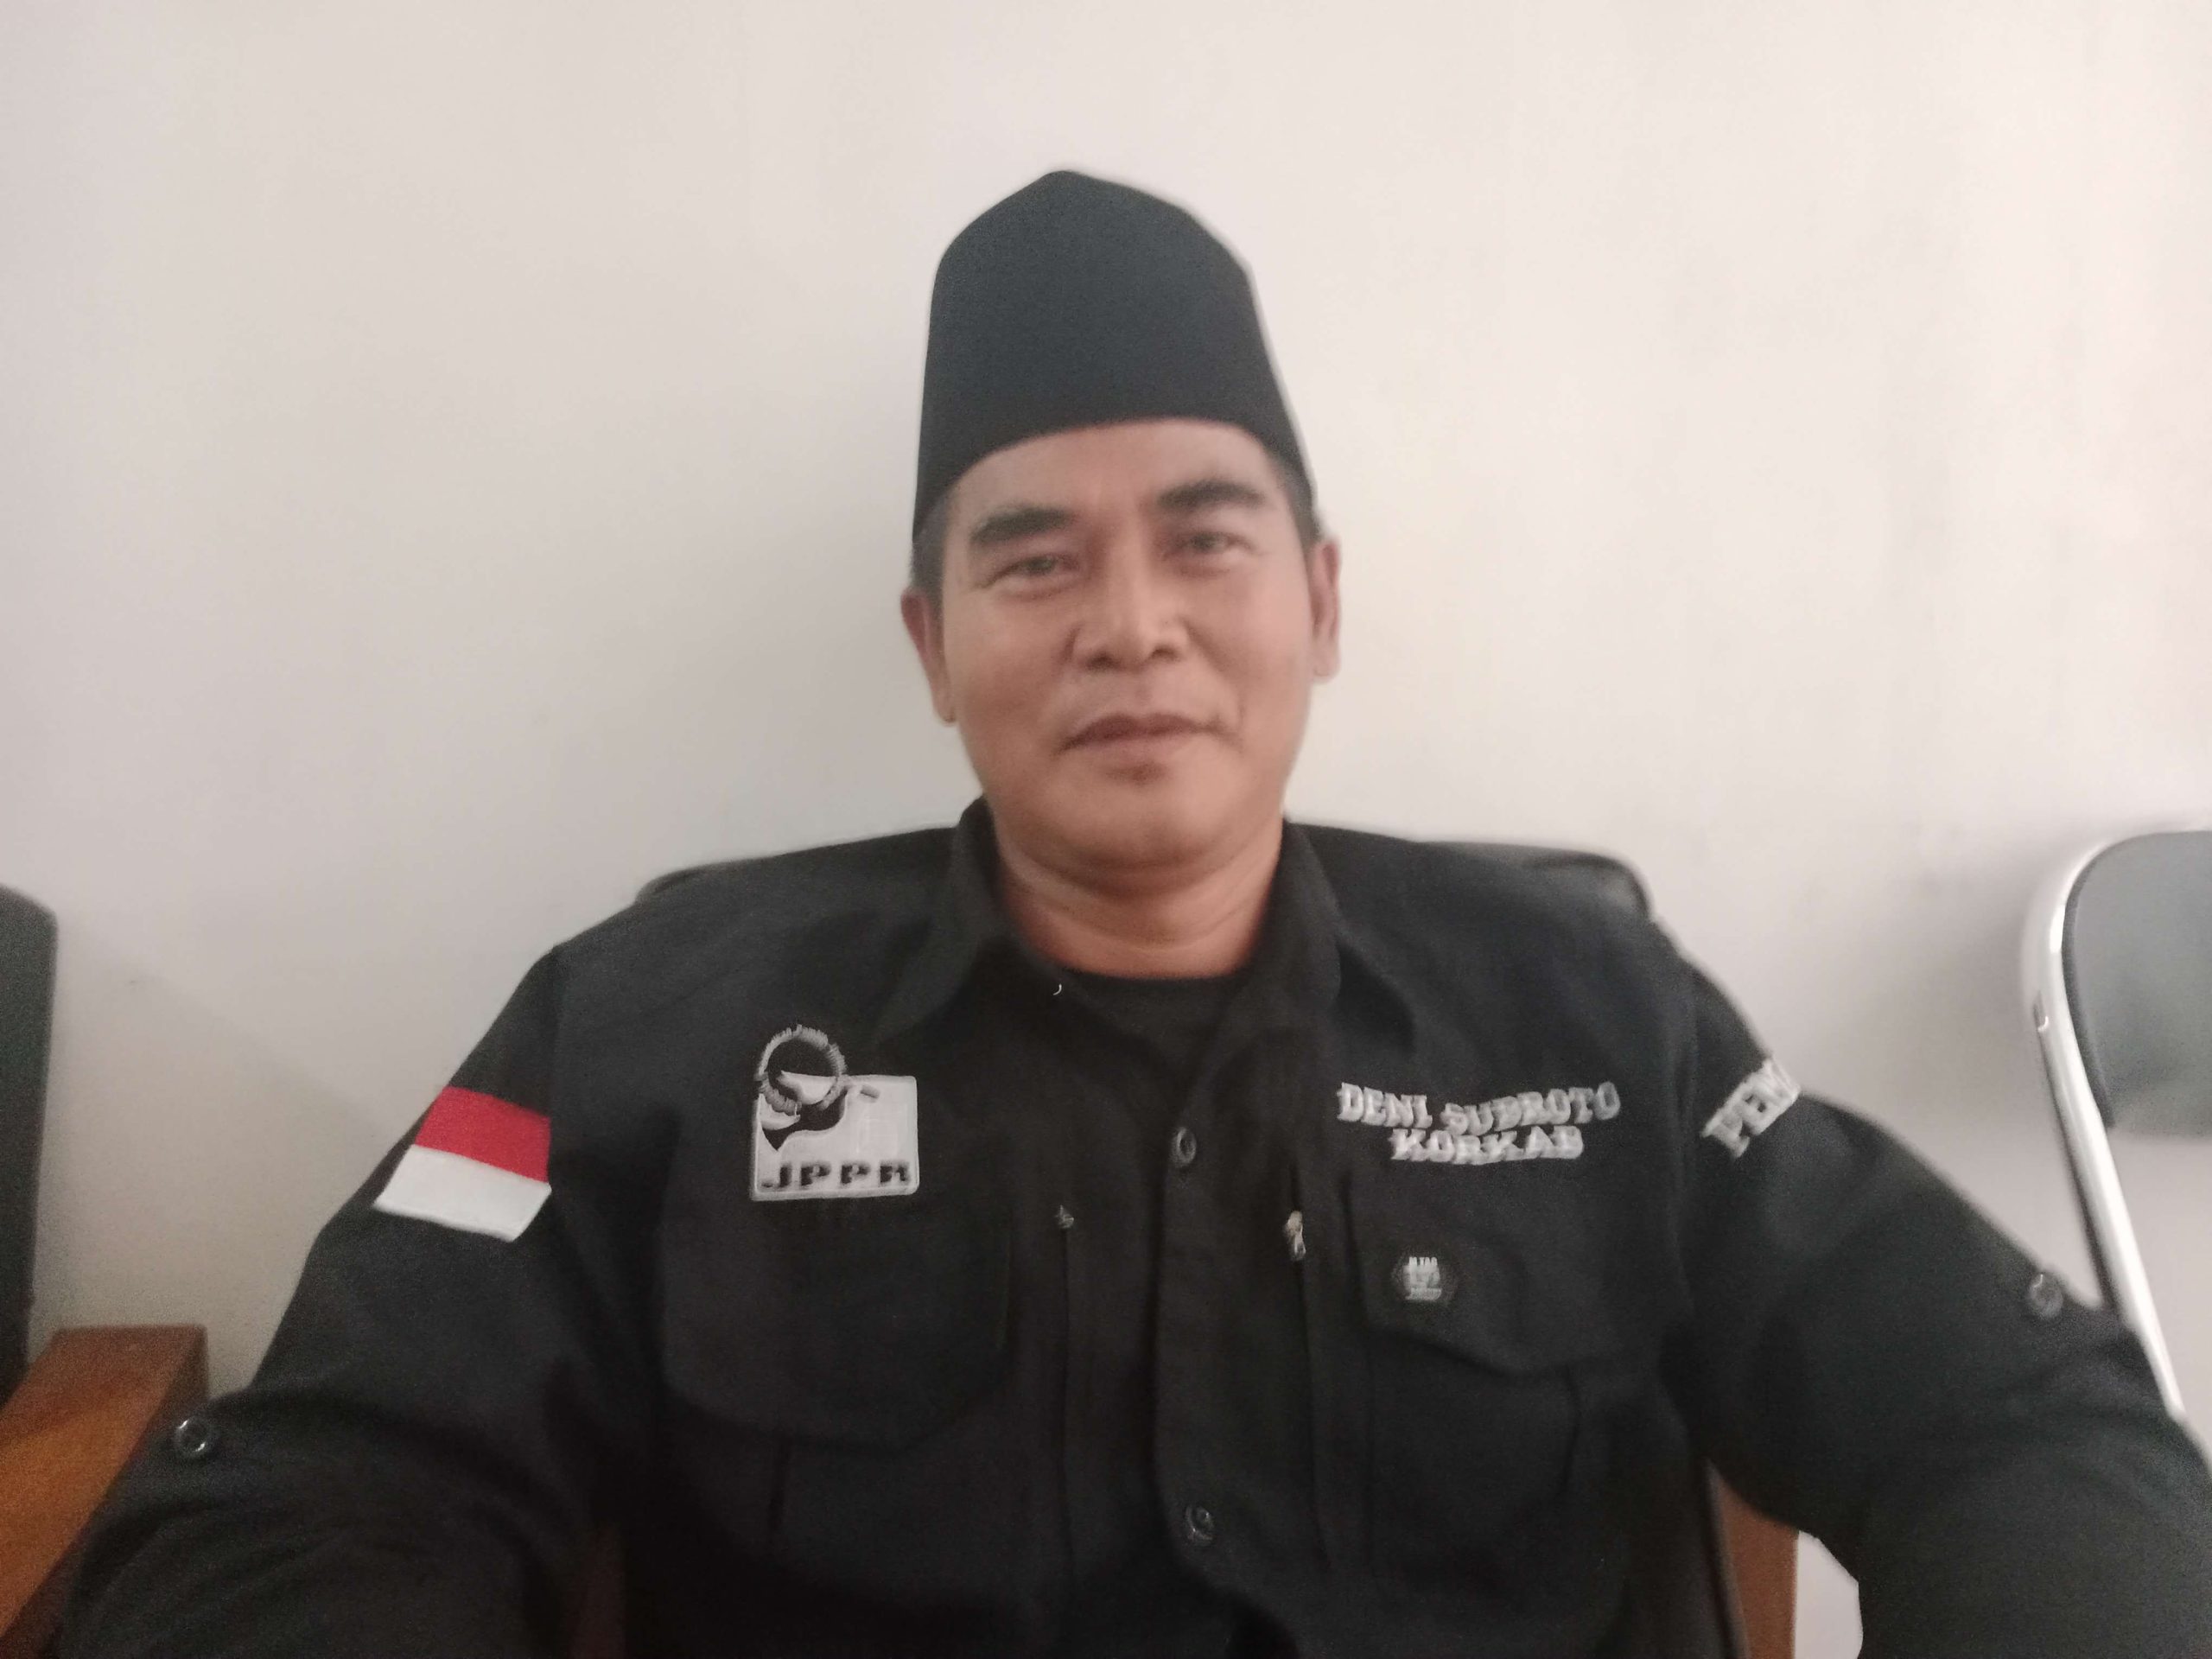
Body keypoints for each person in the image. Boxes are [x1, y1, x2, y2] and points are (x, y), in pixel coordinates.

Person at [60, 170, 2212, 1659]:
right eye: (1030, 560)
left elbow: (2014, 1422)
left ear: (1318, 602)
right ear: (930, 643)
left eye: (1204, 539)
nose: (1128, 625)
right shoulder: (652, 1024)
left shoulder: (1589, 1009)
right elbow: (313, 1493)